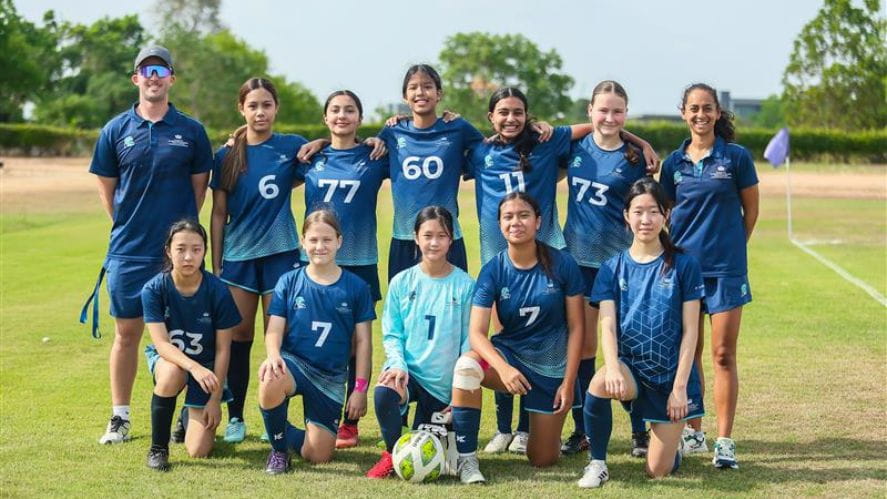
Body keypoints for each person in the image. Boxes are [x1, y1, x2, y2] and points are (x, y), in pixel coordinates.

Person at [465, 86, 658, 454]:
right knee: (509, 339)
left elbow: (602, 128)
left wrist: (642, 140)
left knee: (616, 342)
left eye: (517, 111)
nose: (510, 118)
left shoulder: (550, 143)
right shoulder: (479, 150)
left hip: (572, 261)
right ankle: (513, 428)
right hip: (506, 261)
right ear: (491, 117)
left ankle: (633, 430)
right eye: (502, 112)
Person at [84, 45, 213, 444]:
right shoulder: (115, 130)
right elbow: (108, 191)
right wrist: (129, 226)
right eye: (145, 70)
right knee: (127, 334)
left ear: (171, 78)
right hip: (128, 250)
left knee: (180, 334)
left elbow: (199, 191)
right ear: (135, 79)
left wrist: (180, 241)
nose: (153, 76)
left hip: (177, 254)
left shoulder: (191, 131)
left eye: (160, 69)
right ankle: (120, 417)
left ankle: (177, 416)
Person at [449, 192, 586, 484]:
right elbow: (476, 333)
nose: (516, 222)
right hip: (510, 358)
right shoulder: (493, 270)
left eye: (523, 215)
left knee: (543, 459)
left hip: (551, 367)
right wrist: (503, 368)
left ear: (538, 221)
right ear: (499, 224)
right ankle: (466, 459)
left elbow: (577, 327)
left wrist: (568, 382)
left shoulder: (563, 264)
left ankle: (543, 433)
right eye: (508, 217)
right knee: (466, 367)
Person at [577, 178, 705, 488]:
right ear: (626, 215)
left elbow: (691, 333)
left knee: (657, 471)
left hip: (670, 378)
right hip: (632, 369)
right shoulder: (612, 268)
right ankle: (597, 464)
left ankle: (673, 446)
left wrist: (679, 389)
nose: (645, 220)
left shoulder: (684, 266)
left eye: (653, 211)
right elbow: (606, 323)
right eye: (638, 211)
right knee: (598, 383)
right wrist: (612, 367)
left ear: (666, 215)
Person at [659, 83, 759, 469]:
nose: (700, 115)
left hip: (726, 272)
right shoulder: (673, 164)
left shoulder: (735, 157)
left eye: (707, 108)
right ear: (683, 113)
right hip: (685, 271)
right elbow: (665, 213)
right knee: (691, 352)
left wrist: (732, 250)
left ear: (718, 113)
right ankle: (694, 431)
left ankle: (725, 440)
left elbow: (750, 212)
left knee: (722, 354)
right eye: (693, 109)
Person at [209, 77, 308, 444]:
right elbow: (219, 213)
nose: (260, 112)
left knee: (278, 338)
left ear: (276, 107)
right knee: (239, 336)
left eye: (266, 104)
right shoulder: (227, 156)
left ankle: (276, 414)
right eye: (253, 105)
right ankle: (236, 416)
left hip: (281, 254)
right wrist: (218, 265)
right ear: (242, 109)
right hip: (239, 258)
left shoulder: (291, 146)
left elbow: (325, 154)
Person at [560, 81, 651, 456]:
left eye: (617, 111)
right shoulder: (574, 148)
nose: (609, 117)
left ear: (625, 114)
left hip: (618, 265)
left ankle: (639, 431)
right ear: (590, 111)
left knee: (629, 346)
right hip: (577, 263)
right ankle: (582, 429)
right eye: (603, 110)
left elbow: (646, 210)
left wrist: (641, 143)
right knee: (582, 346)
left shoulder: (634, 160)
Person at [296, 90, 388, 449]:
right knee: (313, 339)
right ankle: (316, 414)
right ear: (325, 118)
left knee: (354, 342)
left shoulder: (375, 157)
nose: (342, 116)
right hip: (316, 263)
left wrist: (380, 139)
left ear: (360, 118)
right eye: (335, 110)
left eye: (349, 110)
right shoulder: (310, 157)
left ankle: (349, 420)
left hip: (360, 262)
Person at [257, 209, 375, 474]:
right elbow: (274, 329)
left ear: (339, 241)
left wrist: (360, 388)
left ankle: (280, 428)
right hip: (295, 364)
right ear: (302, 241)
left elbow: (364, 343)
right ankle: (278, 452)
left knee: (318, 455)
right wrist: (274, 355)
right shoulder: (289, 281)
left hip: (330, 377)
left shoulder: (356, 287)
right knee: (270, 376)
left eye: (326, 240)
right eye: (313, 240)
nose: (319, 246)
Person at [365, 206, 475, 478]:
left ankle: (427, 429)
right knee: (384, 390)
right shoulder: (402, 282)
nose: (434, 242)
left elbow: (467, 341)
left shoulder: (465, 285)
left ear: (451, 239)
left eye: (441, 235)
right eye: (427, 235)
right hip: (410, 376)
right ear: (415, 237)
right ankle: (393, 454)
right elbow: (392, 332)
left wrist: (458, 389)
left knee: (440, 462)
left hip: (445, 385)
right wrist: (398, 365)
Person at [141, 220, 241, 471]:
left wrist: (215, 399)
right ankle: (158, 448)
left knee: (199, 450)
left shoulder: (217, 290)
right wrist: (193, 368)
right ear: (168, 251)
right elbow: (162, 345)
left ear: (204, 251)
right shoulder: (154, 289)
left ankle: (187, 416)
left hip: (207, 368)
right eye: (181, 249)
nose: (188, 256)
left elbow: (223, 349)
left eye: (196, 249)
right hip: (173, 361)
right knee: (174, 372)